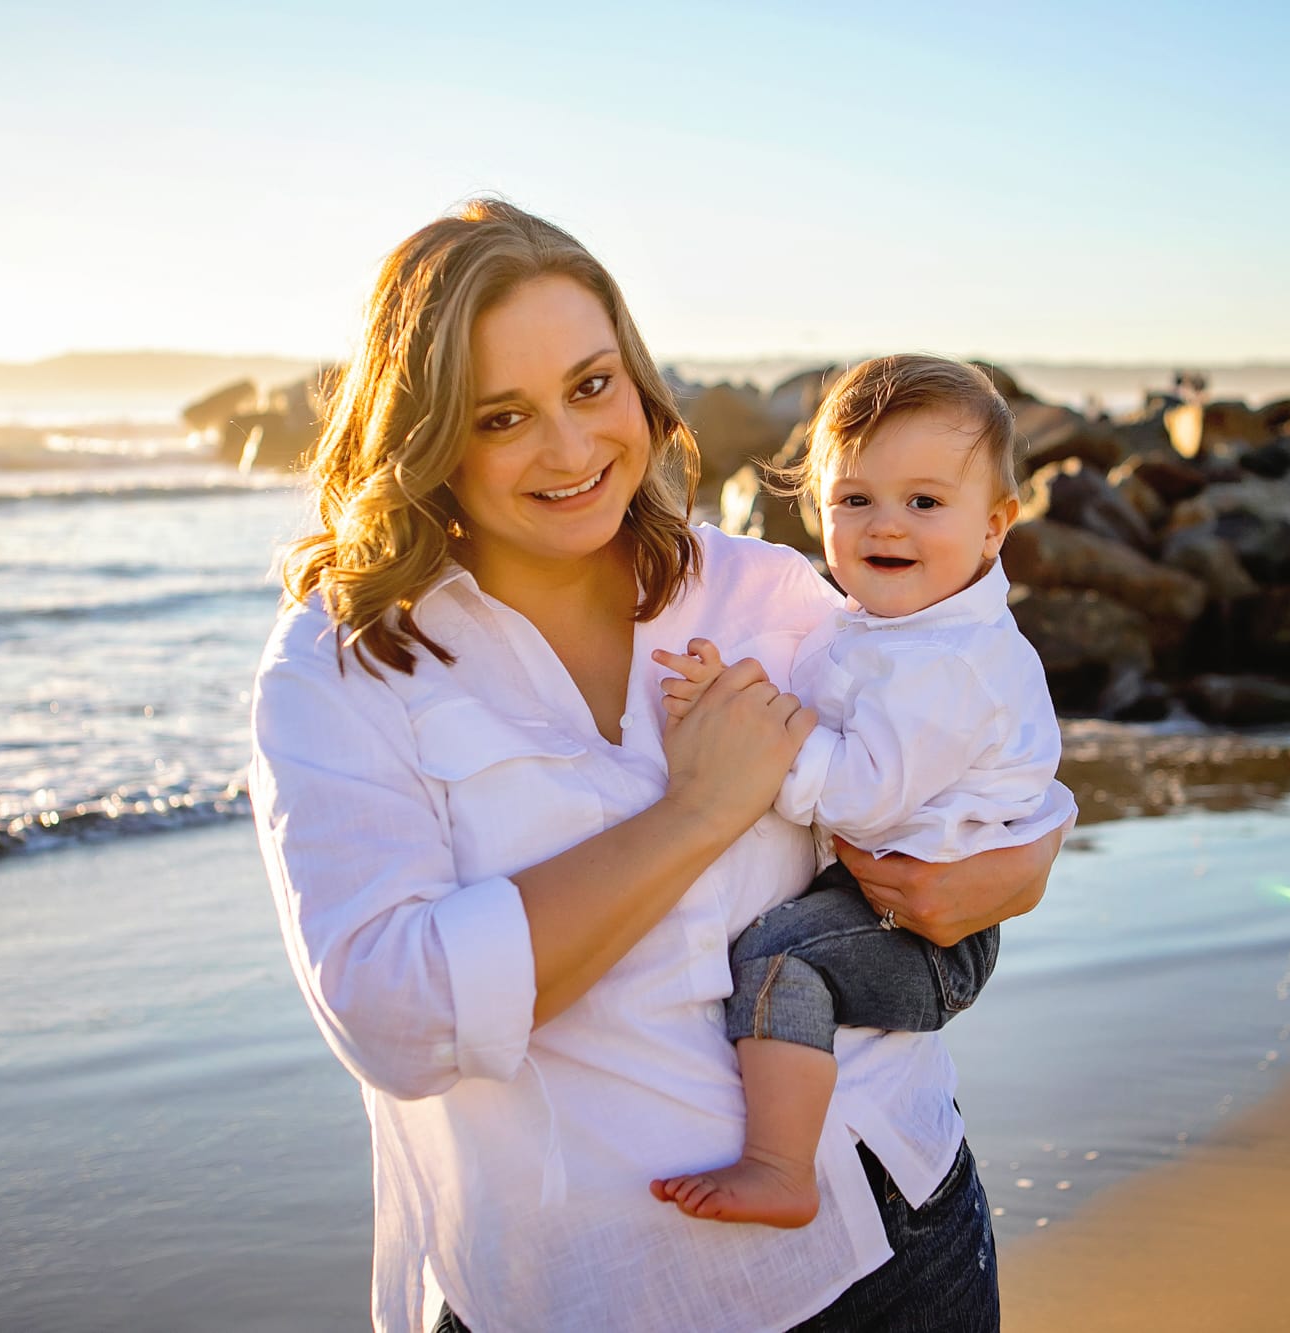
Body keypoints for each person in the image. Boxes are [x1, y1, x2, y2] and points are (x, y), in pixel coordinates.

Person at [249, 199, 1069, 1333]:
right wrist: (693, 811)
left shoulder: (765, 597)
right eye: (501, 416)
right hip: (575, 1287)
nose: (571, 448)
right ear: (426, 436)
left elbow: (961, 725)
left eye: (591, 386)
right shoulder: (345, 667)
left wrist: (1028, 855)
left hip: (882, 1238)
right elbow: (392, 1016)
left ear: (636, 379)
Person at [648, 355, 1074, 1230]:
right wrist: (740, 690)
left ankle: (780, 1165)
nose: (887, 525)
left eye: (925, 502)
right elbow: (821, 708)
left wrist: (759, 735)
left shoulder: (948, 661)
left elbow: (865, 792)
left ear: (995, 527)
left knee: (778, 959)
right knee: (789, 946)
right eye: (855, 500)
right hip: (905, 900)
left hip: (934, 940)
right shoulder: (889, 626)